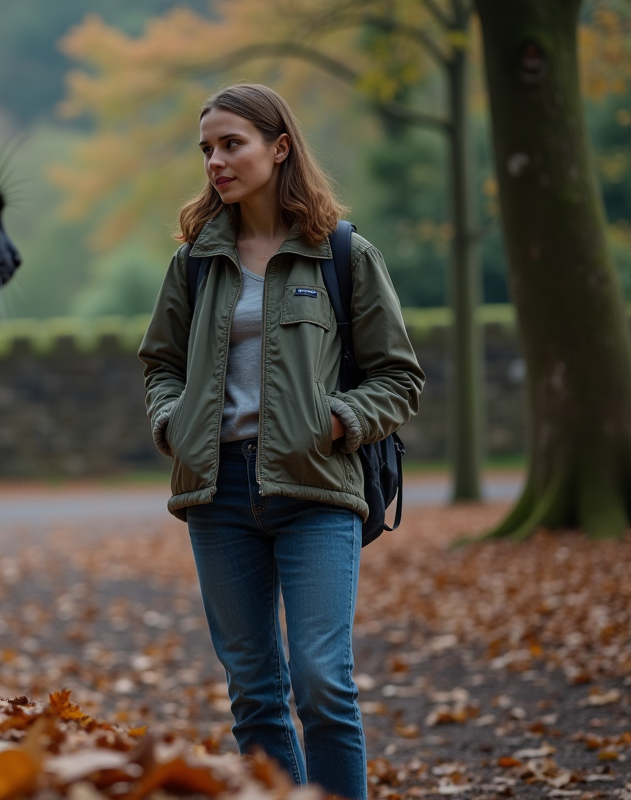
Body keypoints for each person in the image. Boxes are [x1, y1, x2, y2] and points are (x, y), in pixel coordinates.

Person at [138, 84, 425, 799]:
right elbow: (159, 365)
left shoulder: (344, 254)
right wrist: (170, 421)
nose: (216, 160)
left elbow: (399, 376)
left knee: (322, 682)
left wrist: (340, 421)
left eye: (231, 143)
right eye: (207, 148)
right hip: (219, 495)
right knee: (254, 695)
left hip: (317, 491)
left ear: (280, 146)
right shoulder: (196, 262)